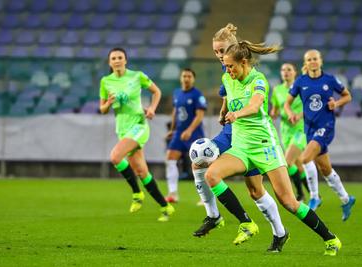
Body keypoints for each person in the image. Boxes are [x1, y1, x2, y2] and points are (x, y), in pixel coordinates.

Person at [204, 41, 342, 256]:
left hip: (265, 146)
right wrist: (224, 112)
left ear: (244, 62)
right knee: (212, 174)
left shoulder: (258, 80)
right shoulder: (227, 78)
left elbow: (255, 105)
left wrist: (236, 114)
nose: (228, 70)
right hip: (241, 147)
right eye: (226, 66)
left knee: (289, 202)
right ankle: (246, 223)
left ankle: (330, 238)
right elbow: (229, 99)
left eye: (232, 66)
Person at [192, 23, 288, 253]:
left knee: (256, 190)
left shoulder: (245, 72)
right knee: (199, 162)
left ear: (233, 50)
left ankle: (280, 232)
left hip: (249, 135)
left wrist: (234, 112)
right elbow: (228, 94)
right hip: (232, 131)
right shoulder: (228, 71)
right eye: (215, 51)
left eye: (222, 51)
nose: (218, 56)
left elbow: (251, 101)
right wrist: (223, 111)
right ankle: (215, 216)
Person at [99, 47, 174, 222]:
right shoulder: (106, 81)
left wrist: (152, 109)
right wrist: (108, 103)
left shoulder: (136, 76)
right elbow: (102, 109)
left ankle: (136, 193)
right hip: (122, 128)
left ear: (125, 60)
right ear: (110, 62)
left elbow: (157, 91)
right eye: (113, 58)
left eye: (120, 57)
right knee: (141, 171)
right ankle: (165, 206)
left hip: (139, 124)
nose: (117, 60)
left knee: (116, 156)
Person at [284, 49, 356, 221]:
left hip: (326, 125)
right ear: (306, 63)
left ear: (320, 61)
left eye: (315, 59)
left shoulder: (330, 80)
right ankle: (346, 199)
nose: (313, 62)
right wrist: (290, 114)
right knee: (325, 169)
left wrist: (336, 103)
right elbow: (287, 103)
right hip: (309, 128)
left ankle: (315, 196)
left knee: (304, 159)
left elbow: (347, 96)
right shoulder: (301, 81)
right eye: (309, 59)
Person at [270, 63, 310, 201]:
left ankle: (299, 194)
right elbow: (275, 109)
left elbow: (310, 106)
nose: (285, 72)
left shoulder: (301, 88)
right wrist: (272, 114)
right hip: (285, 130)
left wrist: (299, 115)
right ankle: (314, 194)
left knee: (288, 161)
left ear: (295, 73)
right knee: (298, 165)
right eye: (283, 69)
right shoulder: (277, 90)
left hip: (300, 129)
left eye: (289, 70)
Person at [165, 68, 206, 203]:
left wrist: (189, 130)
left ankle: (204, 196)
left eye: (189, 76)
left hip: (194, 134)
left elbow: (200, 116)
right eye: (184, 76)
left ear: (193, 79)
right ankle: (173, 193)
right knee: (170, 158)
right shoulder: (177, 93)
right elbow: (175, 112)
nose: (186, 78)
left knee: (199, 165)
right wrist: (172, 129)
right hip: (179, 134)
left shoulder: (197, 95)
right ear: (180, 78)